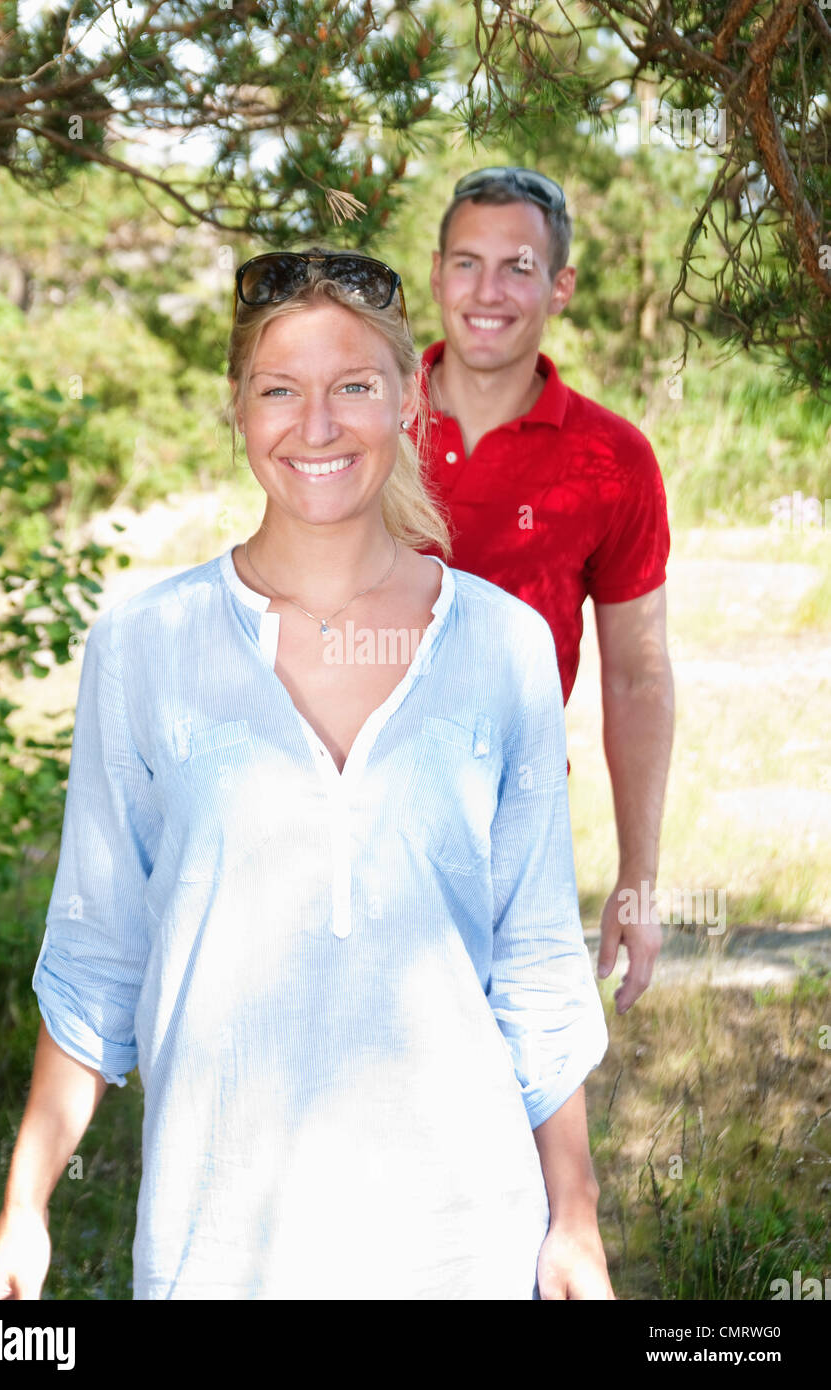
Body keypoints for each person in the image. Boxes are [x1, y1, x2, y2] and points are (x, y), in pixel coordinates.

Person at [0, 249, 613, 1301]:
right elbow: (94, 957)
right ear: (238, 408)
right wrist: (23, 1212)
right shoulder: (143, 647)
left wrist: (574, 1220)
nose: (316, 426)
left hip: (462, 1249)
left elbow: (537, 960)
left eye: (353, 386)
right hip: (217, 1251)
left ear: (409, 401)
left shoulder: (501, 646)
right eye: (280, 388)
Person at [417, 167, 675, 1015]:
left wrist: (636, 879)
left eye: (517, 267)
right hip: (339, 810)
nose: (486, 292)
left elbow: (636, 676)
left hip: (513, 821)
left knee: (525, 1099)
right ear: (435, 272)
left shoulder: (613, 459)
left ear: (559, 286)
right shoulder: (361, 421)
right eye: (466, 263)